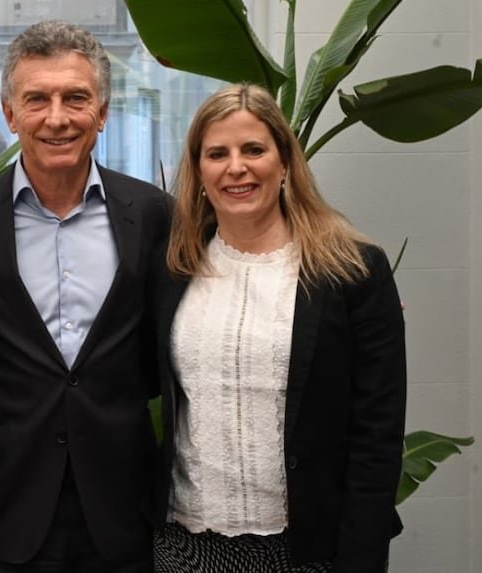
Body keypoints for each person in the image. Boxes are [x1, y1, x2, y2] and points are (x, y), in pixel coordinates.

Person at [0, 19, 170, 573]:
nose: (56, 118)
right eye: (36, 99)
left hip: (124, 514)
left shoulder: (153, 215)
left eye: (75, 98)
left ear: (102, 112)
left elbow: (161, 355)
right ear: (10, 114)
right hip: (6, 515)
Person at [152, 83, 406, 573]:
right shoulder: (174, 267)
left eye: (254, 150)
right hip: (186, 545)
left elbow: (378, 432)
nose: (236, 167)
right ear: (199, 171)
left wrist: (362, 556)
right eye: (217, 154)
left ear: (285, 162)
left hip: (307, 547)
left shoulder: (352, 270)